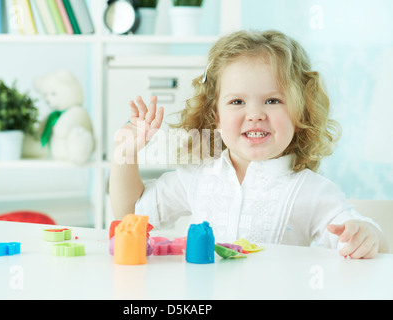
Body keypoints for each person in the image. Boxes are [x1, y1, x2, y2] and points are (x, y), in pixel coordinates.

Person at [109, 30, 389, 259]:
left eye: (272, 100)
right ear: (215, 116)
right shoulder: (195, 177)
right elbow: (130, 216)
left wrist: (366, 234)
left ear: (300, 112)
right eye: (237, 102)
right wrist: (126, 152)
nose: (255, 114)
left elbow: (361, 236)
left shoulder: (312, 190)